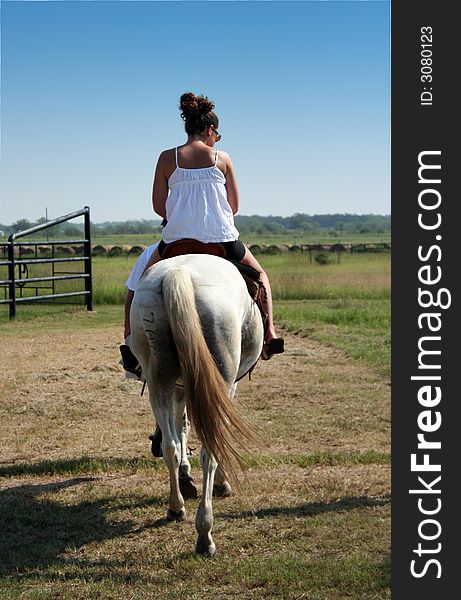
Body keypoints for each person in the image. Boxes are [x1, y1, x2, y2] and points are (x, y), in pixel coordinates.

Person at [141, 92, 284, 359]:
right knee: (261, 277)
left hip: (176, 240)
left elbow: (158, 207)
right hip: (221, 239)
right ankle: (270, 334)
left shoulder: (165, 158)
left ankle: (132, 343)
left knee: (142, 283)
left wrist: (181, 213)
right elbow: (235, 207)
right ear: (209, 130)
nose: (215, 140)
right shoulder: (223, 159)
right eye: (216, 136)